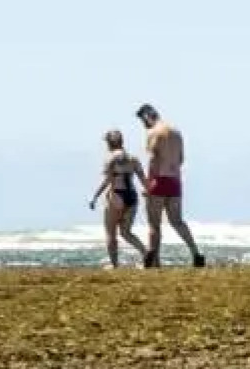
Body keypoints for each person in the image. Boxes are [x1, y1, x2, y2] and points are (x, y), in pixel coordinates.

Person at [135, 104, 206, 268]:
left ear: (147, 116)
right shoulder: (176, 132)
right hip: (174, 181)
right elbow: (181, 159)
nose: (143, 125)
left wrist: (148, 184)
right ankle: (196, 253)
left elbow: (154, 160)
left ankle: (154, 261)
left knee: (154, 224)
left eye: (142, 121)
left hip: (159, 180)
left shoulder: (153, 132)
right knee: (177, 221)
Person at [87, 129, 149, 268]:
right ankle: (146, 253)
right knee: (126, 232)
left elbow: (107, 181)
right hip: (132, 196)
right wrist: (149, 192)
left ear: (109, 143)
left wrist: (95, 197)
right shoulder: (133, 158)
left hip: (116, 195)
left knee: (111, 233)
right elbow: (143, 180)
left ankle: (114, 265)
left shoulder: (111, 158)